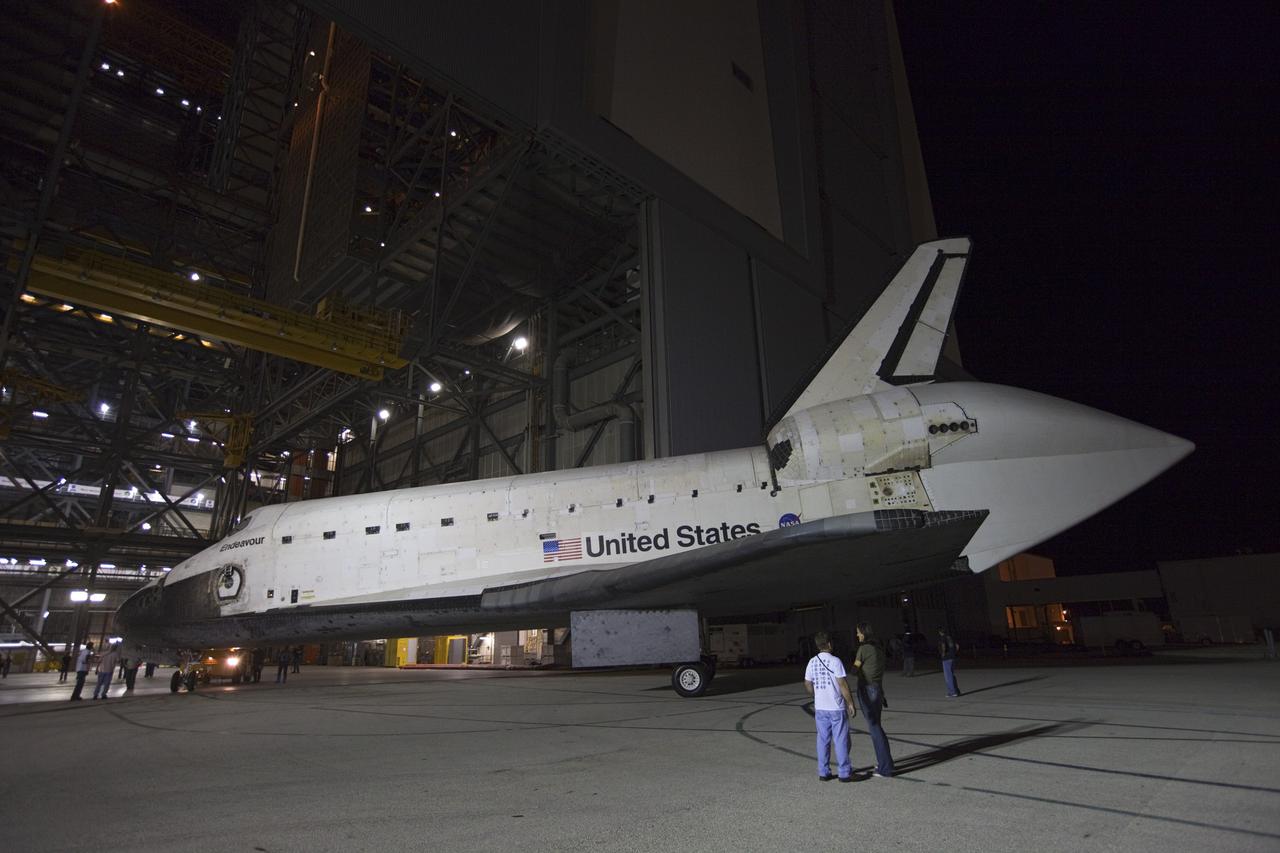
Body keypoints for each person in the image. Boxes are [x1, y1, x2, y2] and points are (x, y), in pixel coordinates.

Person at [803, 630, 857, 783]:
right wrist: (850, 702)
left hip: (820, 708)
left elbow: (807, 683)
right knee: (840, 739)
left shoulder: (812, 662)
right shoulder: (835, 661)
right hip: (836, 707)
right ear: (829, 644)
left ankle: (824, 771)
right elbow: (842, 684)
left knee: (822, 740)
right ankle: (844, 772)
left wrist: (815, 695)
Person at [853, 623, 895, 778]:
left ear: (864, 633)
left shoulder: (863, 649)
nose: (857, 635)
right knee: (877, 725)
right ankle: (886, 762)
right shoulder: (879, 650)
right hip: (878, 690)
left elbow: (854, 669)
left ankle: (886, 768)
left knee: (875, 728)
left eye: (858, 633)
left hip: (867, 690)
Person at [938, 627, 961, 697]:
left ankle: (952, 692)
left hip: (947, 658)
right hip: (953, 657)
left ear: (940, 632)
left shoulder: (943, 638)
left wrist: (943, 654)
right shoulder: (950, 637)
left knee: (948, 676)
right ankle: (956, 691)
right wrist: (954, 653)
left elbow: (943, 646)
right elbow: (957, 646)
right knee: (951, 675)